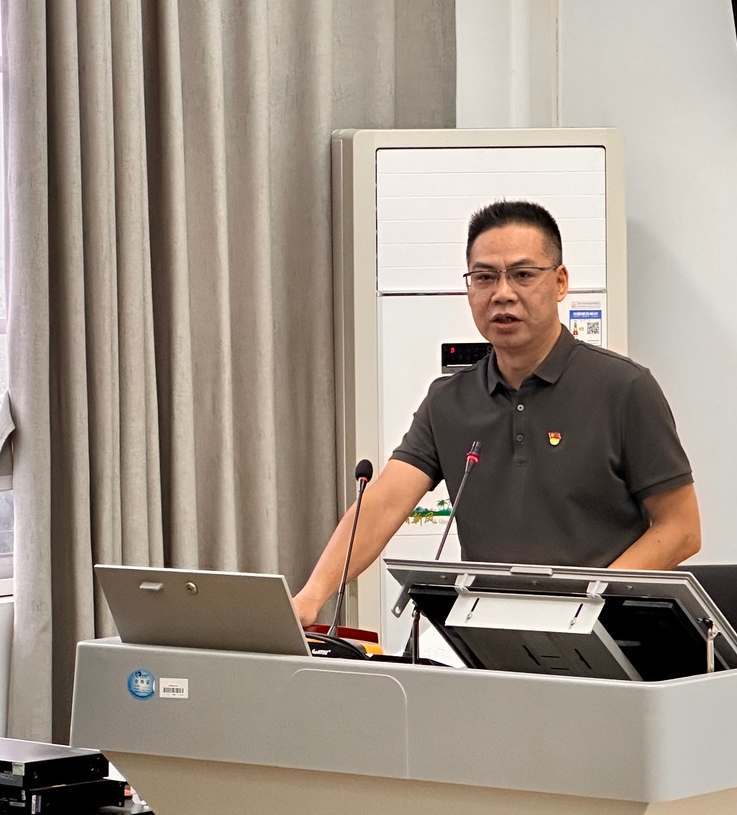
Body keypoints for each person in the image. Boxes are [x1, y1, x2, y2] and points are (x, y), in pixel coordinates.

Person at [291, 201, 702, 627]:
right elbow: (382, 505)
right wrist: (311, 596)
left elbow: (681, 528)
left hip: (606, 634)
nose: (502, 293)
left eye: (523, 275)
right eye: (484, 277)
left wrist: (588, 604)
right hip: (487, 634)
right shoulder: (448, 401)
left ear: (560, 282)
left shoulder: (624, 388)